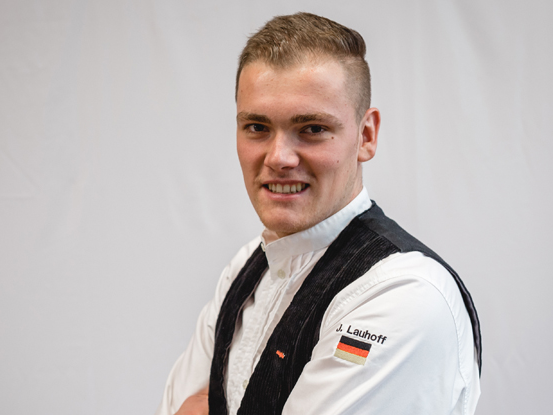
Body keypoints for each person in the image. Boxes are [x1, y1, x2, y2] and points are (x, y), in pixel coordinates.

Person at [156, 12, 481, 415]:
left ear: (366, 135)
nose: (279, 158)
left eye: (311, 128)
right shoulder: (245, 269)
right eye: (257, 127)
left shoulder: (405, 295)